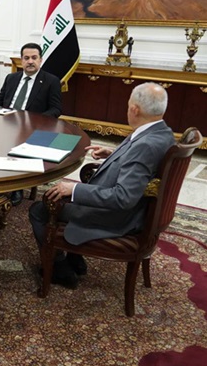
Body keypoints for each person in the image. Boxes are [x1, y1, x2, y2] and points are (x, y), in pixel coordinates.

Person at [28, 82, 175, 289]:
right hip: (133, 208)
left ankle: (60, 269)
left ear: (134, 109)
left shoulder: (145, 145)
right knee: (63, 194)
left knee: (40, 208)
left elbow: (123, 198)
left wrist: (74, 189)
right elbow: (140, 162)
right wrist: (113, 155)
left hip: (115, 216)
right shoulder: (162, 133)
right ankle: (75, 259)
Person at [0, 42, 62, 205]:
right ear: (21, 60)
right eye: (26, 58)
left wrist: (34, 120)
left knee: (18, 143)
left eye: (34, 57)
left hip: (31, 128)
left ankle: (17, 187)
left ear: (40, 60)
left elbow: (56, 109)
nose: (30, 61)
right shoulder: (11, 78)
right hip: (6, 124)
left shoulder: (51, 81)